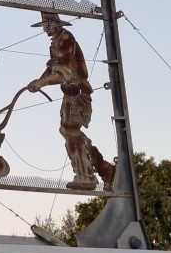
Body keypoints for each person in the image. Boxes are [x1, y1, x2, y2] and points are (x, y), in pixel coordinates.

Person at [26, 12, 115, 191]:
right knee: (68, 131)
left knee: (70, 131)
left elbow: (64, 72)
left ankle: (86, 175)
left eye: (46, 25)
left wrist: (41, 83)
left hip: (77, 92)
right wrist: (39, 82)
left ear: (54, 24)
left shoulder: (65, 38)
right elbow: (53, 66)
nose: (45, 29)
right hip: (70, 92)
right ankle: (105, 169)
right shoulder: (56, 42)